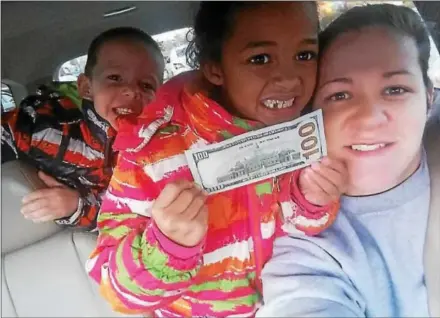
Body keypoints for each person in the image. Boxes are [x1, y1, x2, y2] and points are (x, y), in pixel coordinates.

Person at [86, 2, 347, 317]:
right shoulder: (149, 157)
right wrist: (165, 247)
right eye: (260, 58)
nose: (289, 79)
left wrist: (312, 202)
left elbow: (302, 237)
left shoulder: (306, 135)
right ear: (215, 69)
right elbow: (115, 292)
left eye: (304, 55)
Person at [257, 4, 435, 317]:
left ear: (429, 97)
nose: (369, 118)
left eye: (395, 89)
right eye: (339, 95)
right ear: (311, 116)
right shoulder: (306, 251)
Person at [1, 27, 164, 230]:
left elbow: (134, 209)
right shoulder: (45, 125)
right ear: (87, 88)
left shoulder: (157, 148)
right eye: (115, 78)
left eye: (147, 85)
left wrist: (76, 204)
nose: (131, 91)